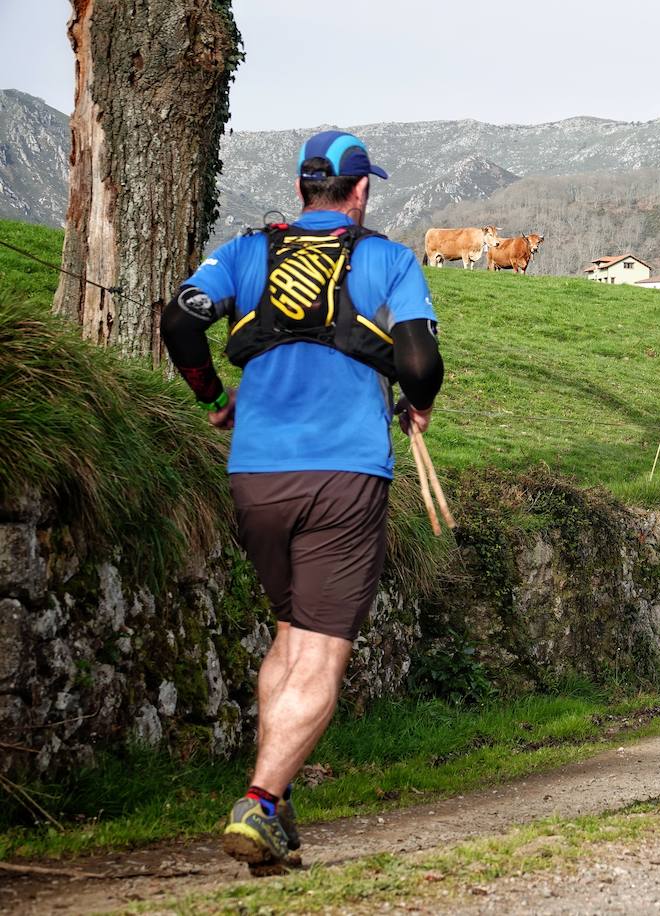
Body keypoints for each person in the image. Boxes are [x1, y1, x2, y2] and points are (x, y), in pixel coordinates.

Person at [160, 131, 444, 872]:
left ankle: (277, 804)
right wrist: (417, 404)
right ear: (361, 191)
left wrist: (213, 399)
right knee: (321, 650)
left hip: (255, 477)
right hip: (343, 477)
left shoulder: (244, 253)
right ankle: (258, 801)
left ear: (300, 189)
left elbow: (180, 322)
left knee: (291, 634)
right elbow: (419, 359)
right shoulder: (388, 260)